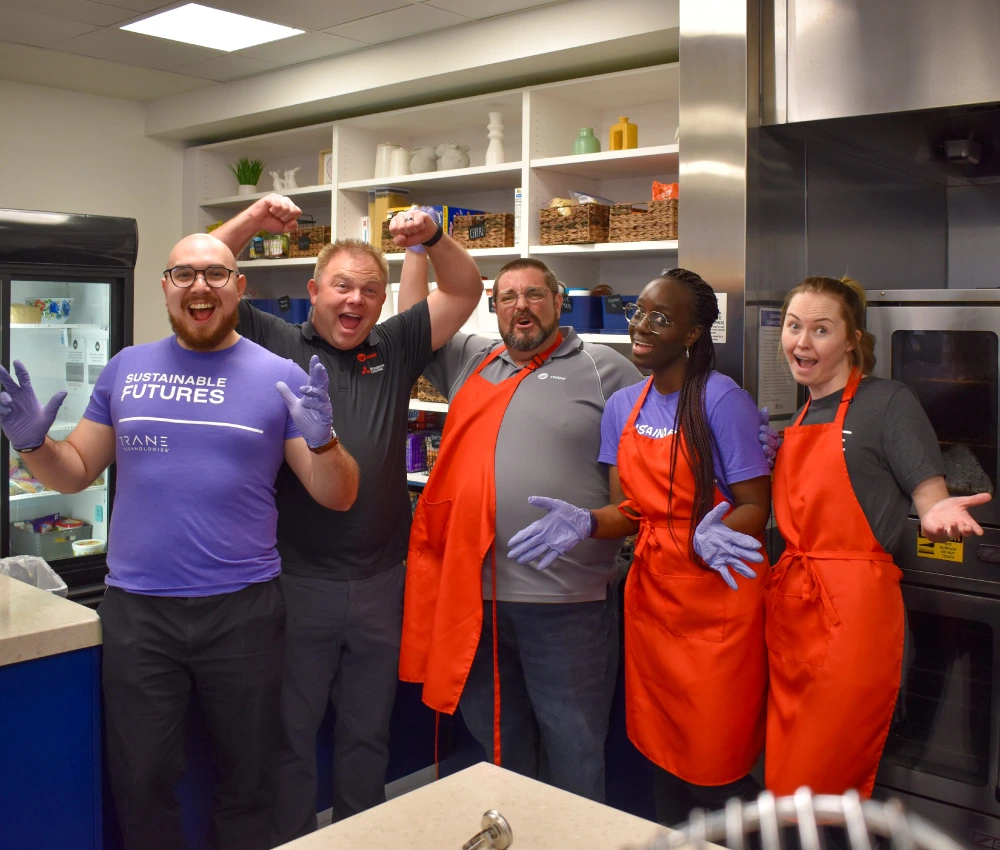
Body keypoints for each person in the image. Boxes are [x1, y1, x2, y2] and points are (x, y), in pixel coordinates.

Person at [0, 233, 359, 850]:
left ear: (239, 289)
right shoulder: (127, 369)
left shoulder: (280, 378)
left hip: (244, 610)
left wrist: (325, 441)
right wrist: (34, 444)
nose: (200, 286)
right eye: (184, 274)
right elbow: (76, 469)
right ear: (165, 287)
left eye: (216, 274)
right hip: (140, 612)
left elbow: (339, 495)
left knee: (248, 780)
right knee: (140, 779)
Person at [211, 197, 483, 841]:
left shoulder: (395, 345)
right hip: (297, 579)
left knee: (368, 732)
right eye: (341, 285)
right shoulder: (275, 338)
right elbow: (208, 270)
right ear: (312, 292)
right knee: (292, 736)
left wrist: (436, 236)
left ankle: (358, 838)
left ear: (383, 300)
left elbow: (465, 288)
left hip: (383, 580)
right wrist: (250, 220)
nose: (355, 300)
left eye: (370, 288)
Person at [507, 269, 772, 824]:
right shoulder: (625, 404)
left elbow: (755, 504)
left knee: (715, 767)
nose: (641, 327)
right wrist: (585, 523)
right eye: (639, 312)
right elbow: (629, 511)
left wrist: (720, 530)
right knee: (663, 758)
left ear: (693, 334)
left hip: (717, 601)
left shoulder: (723, 402)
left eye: (661, 318)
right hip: (651, 604)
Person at [397, 256, 642, 803]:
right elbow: (414, 324)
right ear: (494, 308)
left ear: (560, 303)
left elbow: (648, 467)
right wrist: (418, 249)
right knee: (499, 750)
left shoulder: (607, 369)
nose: (521, 307)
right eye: (508, 297)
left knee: (574, 747)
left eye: (535, 294)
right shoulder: (473, 360)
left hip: (567, 604)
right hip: (474, 599)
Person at [764, 275, 991, 798]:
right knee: (787, 781)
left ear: (851, 339)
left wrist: (934, 513)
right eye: (794, 326)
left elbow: (928, 495)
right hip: (795, 613)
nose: (802, 342)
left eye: (821, 330)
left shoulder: (888, 401)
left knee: (823, 779)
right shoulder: (800, 412)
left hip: (852, 616)